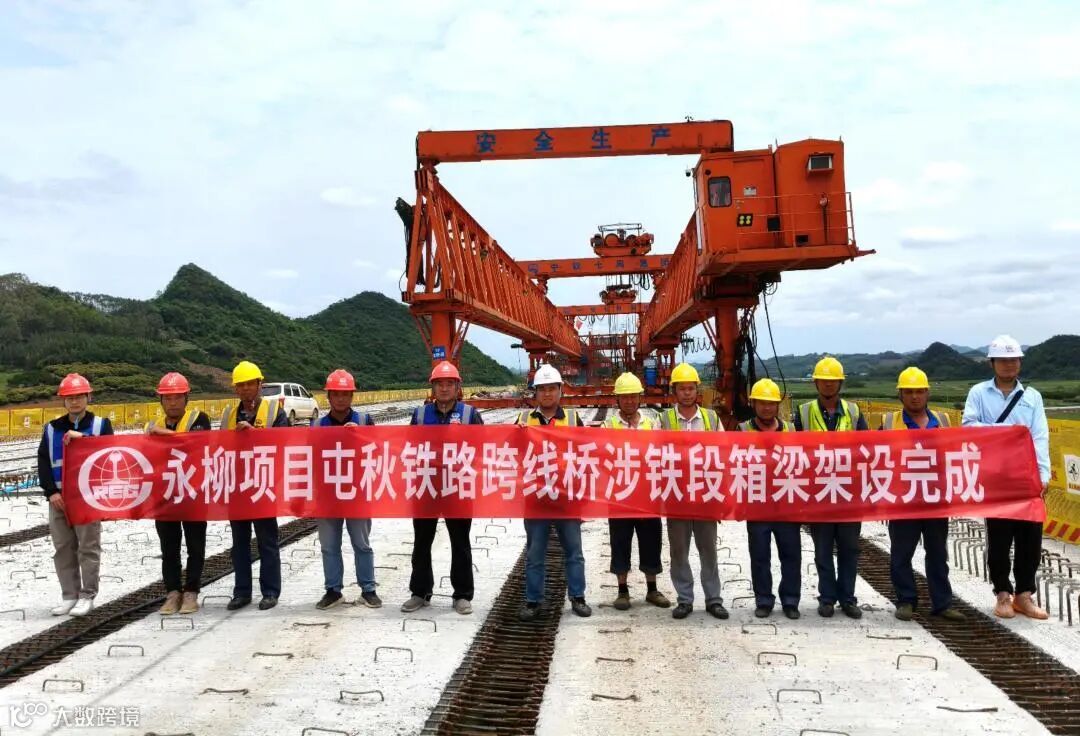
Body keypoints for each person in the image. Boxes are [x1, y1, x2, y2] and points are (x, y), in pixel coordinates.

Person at [963, 335, 1050, 620]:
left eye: (1014, 360)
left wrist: (1043, 475)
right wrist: (1005, 433)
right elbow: (969, 426)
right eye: (1003, 360)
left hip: (1026, 476)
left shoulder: (1033, 397)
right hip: (996, 477)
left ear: (1020, 363)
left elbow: (1040, 437)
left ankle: (1024, 595)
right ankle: (1002, 593)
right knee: (999, 538)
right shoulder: (978, 393)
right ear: (992, 363)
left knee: (1030, 538)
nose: (1009, 365)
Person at [882, 367, 966, 623]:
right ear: (900, 395)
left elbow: (956, 453)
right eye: (909, 392)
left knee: (938, 553)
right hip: (903, 498)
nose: (915, 397)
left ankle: (942, 603)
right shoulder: (889, 422)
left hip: (934, 498)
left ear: (927, 393)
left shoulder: (943, 420)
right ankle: (906, 600)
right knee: (901, 554)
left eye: (919, 391)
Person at [401, 360, 482, 616]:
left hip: (458, 488)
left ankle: (462, 595)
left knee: (460, 543)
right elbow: (409, 448)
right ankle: (420, 592)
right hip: (426, 486)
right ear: (433, 388)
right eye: (439, 384)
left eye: (449, 384)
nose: (444, 388)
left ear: (458, 387)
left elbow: (483, 448)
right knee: (421, 542)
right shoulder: (420, 415)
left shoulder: (470, 415)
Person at [794, 356, 868, 619]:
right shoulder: (803, 413)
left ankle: (847, 598)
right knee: (823, 550)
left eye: (833, 381)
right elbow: (796, 451)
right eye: (824, 381)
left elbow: (867, 448)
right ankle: (827, 598)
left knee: (849, 549)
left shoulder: (854, 412)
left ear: (840, 383)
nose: (828, 385)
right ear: (816, 383)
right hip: (819, 493)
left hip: (848, 493)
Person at [517, 364, 591, 621]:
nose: (547, 394)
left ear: (560, 391)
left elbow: (585, 455)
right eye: (542, 389)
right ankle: (533, 600)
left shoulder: (572, 419)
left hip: (566, 496)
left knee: (574, 552)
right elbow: (511, 452)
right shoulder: (523, 420)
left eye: (552, 388)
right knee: (535, 553)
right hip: (536, 497)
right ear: (535, 393)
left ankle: (578, 597)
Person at [37, 373, 112, 617]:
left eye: (79, 396)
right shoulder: (51, 429)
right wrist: (51, 492)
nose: (74, 401)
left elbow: (111, 454)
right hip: (59, 499)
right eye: (69, 397)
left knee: (88, 547)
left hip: (87, 498)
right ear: (63, 400)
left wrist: (85, 439)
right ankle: (69, 595)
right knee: (63, 547)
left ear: (89, 397)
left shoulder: (100, 425)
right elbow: (44, 462)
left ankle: (87, 595)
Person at [659, 362, 727, 620]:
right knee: (679, 552)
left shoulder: (711, 418)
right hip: (677, 495)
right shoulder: (664, 420)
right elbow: (654, 456)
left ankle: (713, 599)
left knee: (708, 551)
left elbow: (724, 455)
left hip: (706, 495)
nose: (687, 393)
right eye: (682, 389)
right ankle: (685, 600)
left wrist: (721, 496)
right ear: (674, 391)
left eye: (690, 388)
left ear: (697, 390)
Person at [221, 360, 288, 611]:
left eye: (250, 383)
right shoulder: (229, 415)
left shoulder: (274, 412)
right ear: (235, 388)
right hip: (237, 487)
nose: (246, 388)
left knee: (267, 541)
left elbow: (284, 443)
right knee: (239, 543)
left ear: (260, 385)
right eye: (241, 385)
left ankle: (270, 591)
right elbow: (219, 447)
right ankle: (242, 592)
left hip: (263, 485)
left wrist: (255, 434)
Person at [312, 369, 381, 610]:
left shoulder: (364, 421)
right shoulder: (317, 425)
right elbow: (309, 457)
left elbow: (378, 452)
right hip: (328, 494)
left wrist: (360, 437)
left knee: (361, 544)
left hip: (357, 493)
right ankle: (333, 590)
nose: (340, 399)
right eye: (336, 394)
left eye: (345, 394)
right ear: (328, 396)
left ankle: (368, 589)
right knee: (329, 545)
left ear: (352, 396)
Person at [602, 372, 670, 611]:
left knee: (651, 541)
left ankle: (652, 589)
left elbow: (664, 455)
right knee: (620, 542)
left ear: (640, 398)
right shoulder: (608, 426)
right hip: (620, 496)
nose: (629, 401)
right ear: (617, 400)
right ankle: (622, 591)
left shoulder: (652, 424)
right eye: (625, 397)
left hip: (647, 495)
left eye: (633, 396)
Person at [146, 372, 211, 615]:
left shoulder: (199, 419)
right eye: (168, 398)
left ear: (186, 398)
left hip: (193, 493)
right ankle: (173, 592)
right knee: (169, 548)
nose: (172, 403)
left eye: (177, 398)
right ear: (161, 400)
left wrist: (166, 437)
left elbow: (197, 445)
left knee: (195, 545)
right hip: (165, 496)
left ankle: (191, 591)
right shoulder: (153, 426)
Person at [738, 378, 801, 620]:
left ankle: (790, 601)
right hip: (757, 506)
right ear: (753, 404)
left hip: (786, 504)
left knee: (791, 556)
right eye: (762, 403)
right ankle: (763, 600)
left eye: (771, 403)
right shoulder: (743, 431)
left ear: (778, 405)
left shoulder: (791, 430)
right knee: (760, 557)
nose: (767, 408)